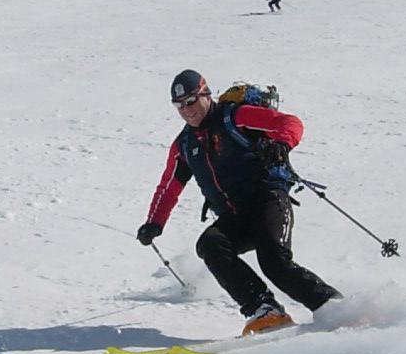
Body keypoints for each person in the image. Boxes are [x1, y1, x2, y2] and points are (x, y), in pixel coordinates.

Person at [136, 70, 341, 334]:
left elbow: (289, 123)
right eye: (180, 106)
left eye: (191, 101)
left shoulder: (234, 116)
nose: (187, 110)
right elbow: (169, 186)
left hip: (267, 200)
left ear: (206, 94)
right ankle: (265, 310)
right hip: (235, 216)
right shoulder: (184, 145)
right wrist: (154, 222)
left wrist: (281, 145)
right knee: (210, 244)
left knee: (274, 264)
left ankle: (335, 308)